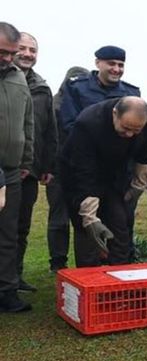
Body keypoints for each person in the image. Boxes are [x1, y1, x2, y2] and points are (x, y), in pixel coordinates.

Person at [59, 97, 147, 267]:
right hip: (77, 175)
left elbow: (144, 155)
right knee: (88, 230)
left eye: (136, 131)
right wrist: (90, 217)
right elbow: (84, 172)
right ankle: (88, 275)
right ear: (115, 114)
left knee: (120, 223)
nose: (129, 135)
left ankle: (120, 273)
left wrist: (137, 186)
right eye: (125, 128)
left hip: (113, 177)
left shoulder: (143, 122)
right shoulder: (87, 124)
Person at [13, 32, 58, 291]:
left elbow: (50, 130)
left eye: (33, 50)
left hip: (29, 170)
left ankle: (14, 276)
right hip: (4, 167)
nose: (28, 54)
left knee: (21, 226)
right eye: (22, 48)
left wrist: (48, 166)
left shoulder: (42, 88)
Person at [0, 22, 34, 313]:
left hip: (11, 171)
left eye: (11, 53)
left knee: (7, 234)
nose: (8, 58)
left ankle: (6, 292)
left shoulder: (18, 77)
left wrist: (26, 159)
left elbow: (28, 121)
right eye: (2, 52)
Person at [46, 66, 88, 272]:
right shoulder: (55, 105)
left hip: (79, 169)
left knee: (83, 216)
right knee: (59, 218)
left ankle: (82, 261)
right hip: (59, 168)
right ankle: (58, 261)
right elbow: (49, 139)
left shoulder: (82, 106)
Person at [57, 45, 140, 134]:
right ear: (97, 63)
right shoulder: (76, 87)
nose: (116, 69)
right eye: (111, 64)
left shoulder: (131, 94)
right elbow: (69, 123)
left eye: (120, 65)